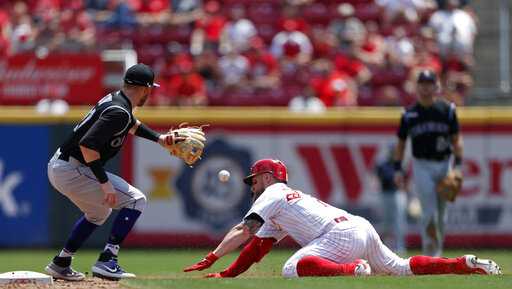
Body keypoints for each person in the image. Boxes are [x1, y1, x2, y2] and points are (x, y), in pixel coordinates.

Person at [183, 159, 501, 278]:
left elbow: (244, 229)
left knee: (291, 268)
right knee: (401, 269)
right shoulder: (285, 203)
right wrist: (227, 275)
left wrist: (213, 256)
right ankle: (463, 264)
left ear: (267, 177)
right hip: (358, 226)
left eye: (253, 179)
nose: (251, 185)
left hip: (338, 238)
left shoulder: (272, 193)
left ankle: (353, 270)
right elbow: (257, 248)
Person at [45, 64, 189, 281]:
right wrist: (104, 183)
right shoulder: (119, 111)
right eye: (150, 90)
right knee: (136, 200)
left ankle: (61, 262)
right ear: (145, 89)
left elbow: (132, 124)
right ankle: (107, 260)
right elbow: (87, 146)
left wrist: (160, 139)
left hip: (63, 165)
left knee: (98, 214)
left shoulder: (117, 100)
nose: (149, 94)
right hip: (72, 168)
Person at [393, 69, 463, 257]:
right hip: (422, 165)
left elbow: (456, 140)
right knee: (429, 213)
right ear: (417, 87)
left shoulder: (447, 110)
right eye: (422, 84)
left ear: (436, 86)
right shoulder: (409, 114)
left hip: (444, 164)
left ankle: (436, 254)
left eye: (429, 83)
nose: (425, 88)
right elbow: (401, 144)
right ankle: (429, 254)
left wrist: (458, 166)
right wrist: (398, 169)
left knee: (442, 215)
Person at [375, 143, 407, 255]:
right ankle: (384, 246)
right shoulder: (383, 165)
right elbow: (378, 178)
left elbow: (406, 180)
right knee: (386, 223)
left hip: (398, 193)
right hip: (385, 194)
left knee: (399, 221)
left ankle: (400, 246)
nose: (393, 153)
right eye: (392, 151)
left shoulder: (400, 165)